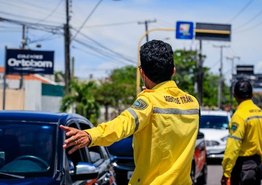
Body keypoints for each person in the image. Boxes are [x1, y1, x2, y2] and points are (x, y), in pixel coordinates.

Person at [60, 40, 200, 185]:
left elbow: (123, 123)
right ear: (173, 71)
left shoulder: (149, 101)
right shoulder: (192, 103)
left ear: (142, 72)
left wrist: (90, 135)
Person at [221, 79, 262, 185]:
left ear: (235, 95)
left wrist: (226, 172)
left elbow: (233, 146)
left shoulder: (239, 116)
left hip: (242, 168)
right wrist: (260, 161)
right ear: (251, 95)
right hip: (256, 166)